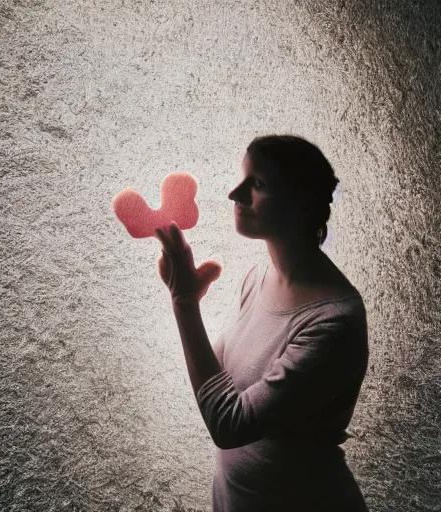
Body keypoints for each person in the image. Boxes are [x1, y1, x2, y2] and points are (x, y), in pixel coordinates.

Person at [155, 134, 369, 511]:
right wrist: (187, 299)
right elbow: (218, 380)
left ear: (302, 204)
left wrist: (185, 304)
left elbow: (229, 423)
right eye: (243, 178)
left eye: (258, 184)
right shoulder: (256, 277)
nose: (235, 194)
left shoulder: (335, 322)